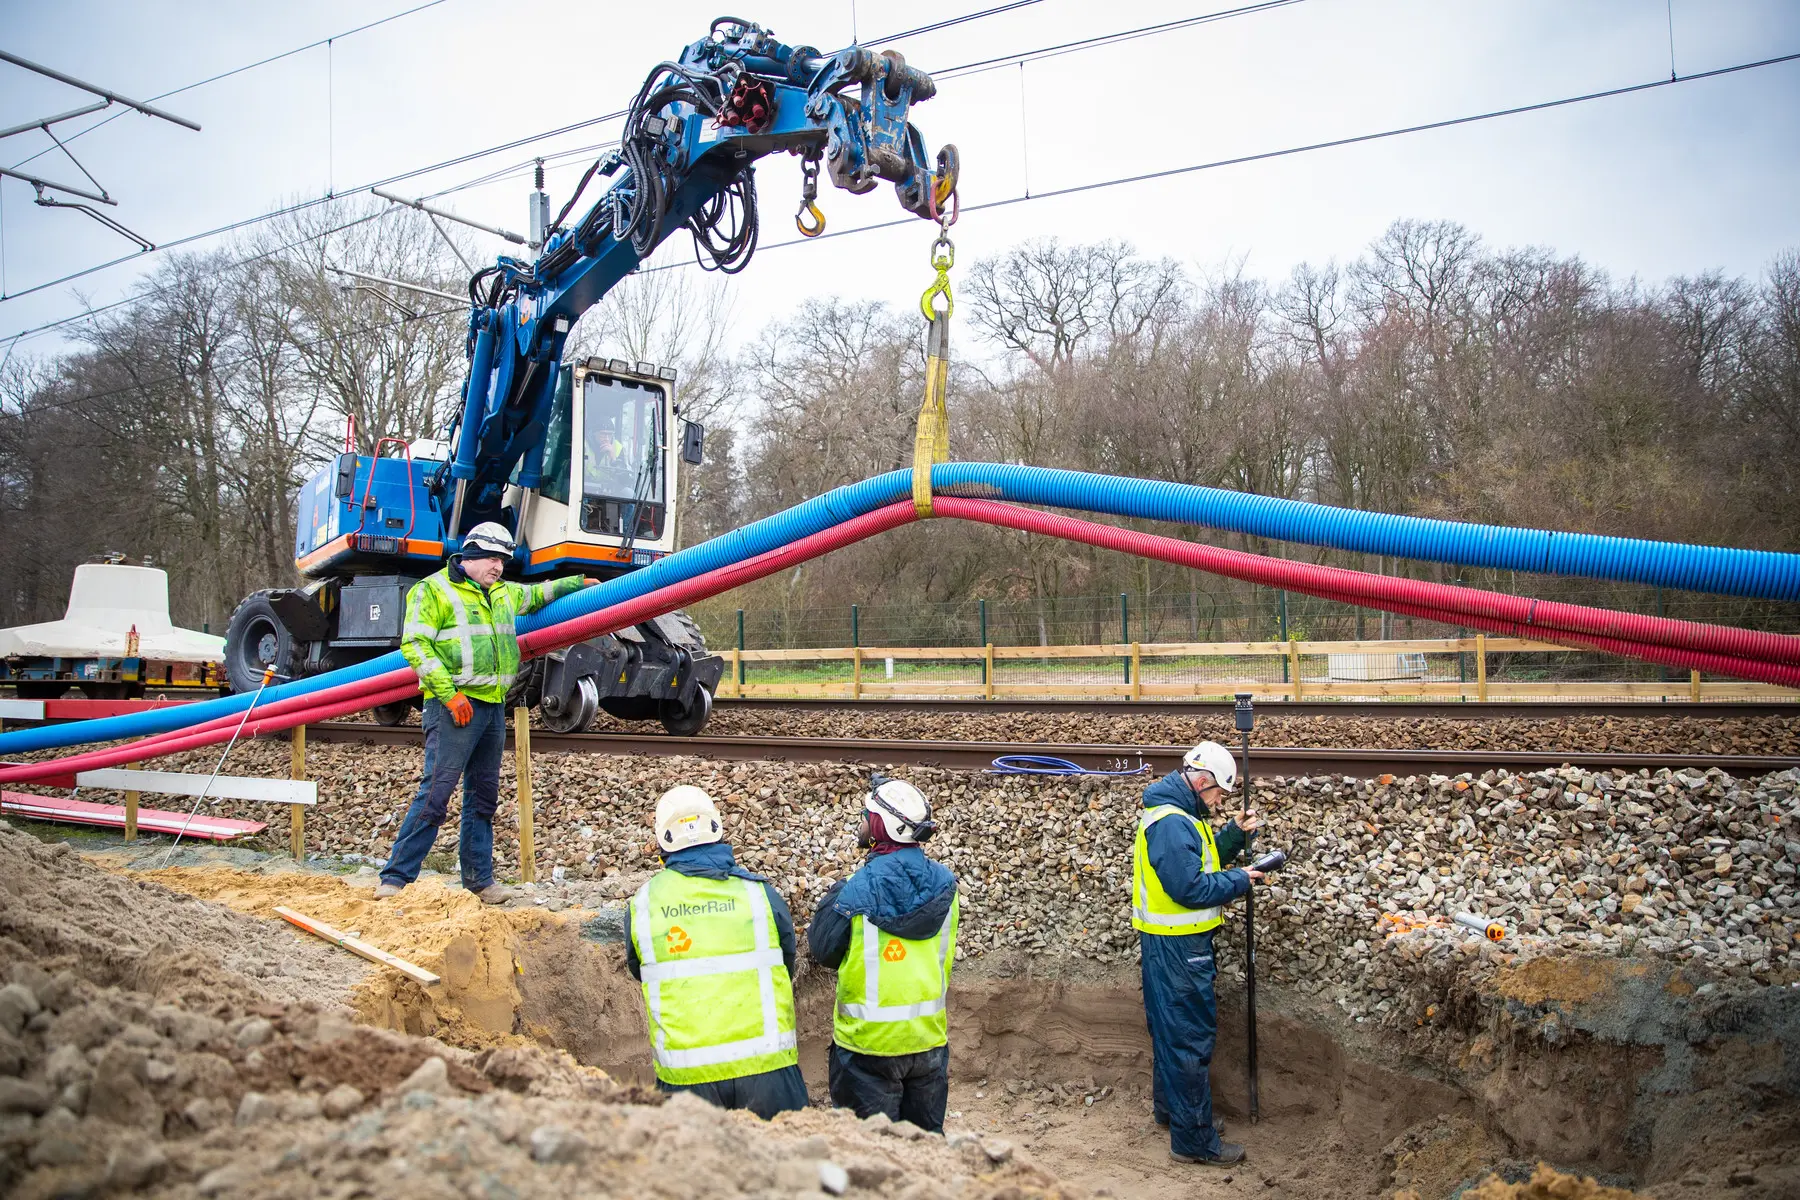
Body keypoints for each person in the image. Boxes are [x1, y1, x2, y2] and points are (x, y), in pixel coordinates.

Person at [376, 522, 592, 903]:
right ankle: (394, 879)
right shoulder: (433, 590)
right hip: (452, 707)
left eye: (504, 560)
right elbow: (415, 646)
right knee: (436, 794)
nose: (499, 566)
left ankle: (479, 881)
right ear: (471, 554)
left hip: (493, 706)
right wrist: (449, 694)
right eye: (493, 558)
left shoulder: (502, 593)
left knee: (483, 796)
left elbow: (539, 593)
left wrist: (578, 583)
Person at [626, 785, 808, 1118]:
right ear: (717, 830)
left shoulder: (644, 904)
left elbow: (640, 970)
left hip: (687, 1081)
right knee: (784, 1164)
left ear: (663, 842)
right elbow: (787, 961)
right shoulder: (759, 895)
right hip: (768, 1070)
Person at [1135, 740, 1265, 1167]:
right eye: (1218, 794)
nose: (1219, 802)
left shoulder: (1180, 814)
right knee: (1188, 1038)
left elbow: (1198, 862)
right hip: (1178, 949)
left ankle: (1175, 1114)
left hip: (1170, 945)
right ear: (1202, 781)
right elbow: (1189, 888)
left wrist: (1231, 836)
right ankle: (1193, 1141)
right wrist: (1241, 880)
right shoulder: (1172, 823)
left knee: (1172, 1034)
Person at [807, 775, 959, 1133]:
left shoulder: (856, 892)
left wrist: (837, 898)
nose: (861, 820)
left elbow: (823, 950)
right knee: (927, 1153)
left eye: (866, 814)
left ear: (880, 826)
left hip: (867, 1051)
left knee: (871, 1158)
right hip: (928, 1043)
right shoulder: (947, 887)